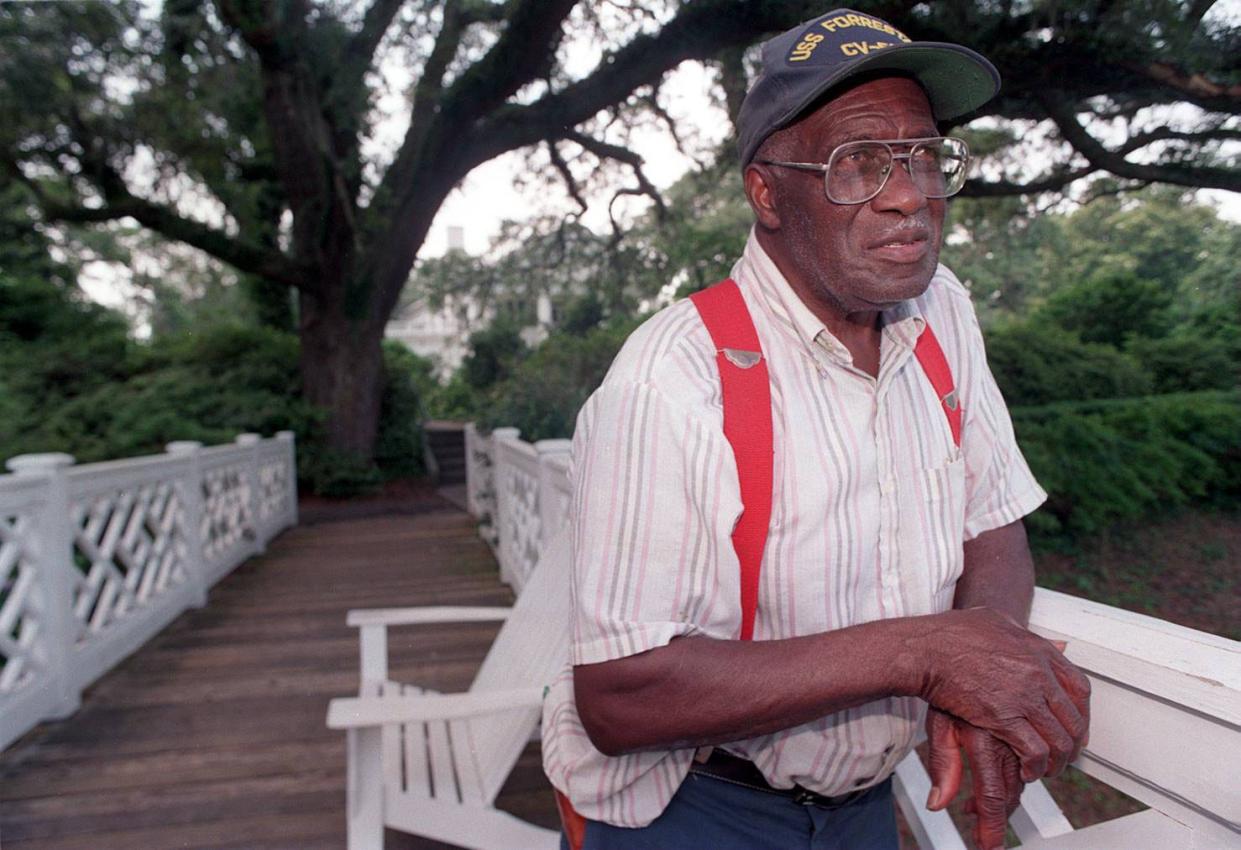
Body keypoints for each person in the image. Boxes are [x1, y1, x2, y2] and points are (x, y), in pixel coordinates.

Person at [542, 9, 1090, 850]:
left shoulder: (942, 315)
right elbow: (620, 696)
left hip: (863, 809)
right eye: (858, 163)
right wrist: (924, 655)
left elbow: (992, 529)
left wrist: (978, 675)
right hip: (692, 809)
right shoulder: (670, 384)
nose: (908, 195)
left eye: (922, 157)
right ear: (766, 192)